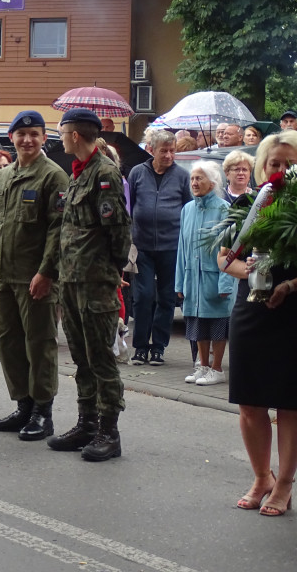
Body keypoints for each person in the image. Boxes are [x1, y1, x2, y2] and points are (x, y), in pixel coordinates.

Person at [218, 131, 297, 516]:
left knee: (289, 405)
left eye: (290, 163)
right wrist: (245, 272)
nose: (282, 170)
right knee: (249, 402)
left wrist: (289, 284)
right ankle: (261, 476)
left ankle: (284, 485)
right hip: (251, 309)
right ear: (263, 166)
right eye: (275, 163)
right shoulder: (251, 203)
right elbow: (224, 257)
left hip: (293, 313)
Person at [0, 110, 68, 441]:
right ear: (11, 139)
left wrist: (46, 273)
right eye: (21, 134)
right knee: (10, 344)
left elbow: (59, 232)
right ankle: (23, 406)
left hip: (34, 279)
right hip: (2, 276)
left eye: (34, 134)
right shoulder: (3, 176)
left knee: (39, 344)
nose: (27, 139)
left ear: (44, 138)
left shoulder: (53, 177)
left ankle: (43, 412)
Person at [48, 110, 131, 461]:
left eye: (63, 133)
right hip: (72, 279)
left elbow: (119, 232)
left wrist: (108, 270)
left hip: (95, 281)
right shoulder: (78, 174)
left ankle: (109, 432)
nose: (61, 138)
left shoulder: (104, 174)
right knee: (81, 356)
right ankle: (87, 423)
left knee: (101, 358)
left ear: (77, 135)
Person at [127, 129, 191, 366]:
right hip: (141, 245)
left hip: (171, 246)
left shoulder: (182, 176)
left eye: (172, 150)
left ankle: (158, 348)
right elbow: (128, 206)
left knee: (166, 297)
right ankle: (140, 347)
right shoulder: (137, 173)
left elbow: (188, 207)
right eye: (164, 150)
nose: (169, 155)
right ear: (151, 150)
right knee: (143, 297)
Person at [175, 161, 234, 387]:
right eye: (192, 179)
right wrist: (179, 282)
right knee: (198, 323)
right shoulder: (187, 209)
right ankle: (203, 365)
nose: (194, 183)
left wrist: (225, 284)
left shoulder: (223, 209)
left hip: (214, 278)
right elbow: (182, 248)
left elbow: (229, 250)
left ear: (212, 182)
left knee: (217, 325)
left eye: (199, 178)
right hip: (192, 278)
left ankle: (217, 368)